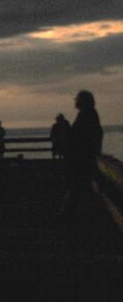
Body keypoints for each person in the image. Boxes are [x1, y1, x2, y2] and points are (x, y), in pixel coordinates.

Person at [62, 90, 103, 220]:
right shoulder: (89, 114)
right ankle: (73, 213)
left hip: (82, 159)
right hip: (82, 158)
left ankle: (72, 215)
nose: (75, 101)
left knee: (78, 186)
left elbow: (81, 136)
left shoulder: (87, 115)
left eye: (77, 99)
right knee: (79, 187)